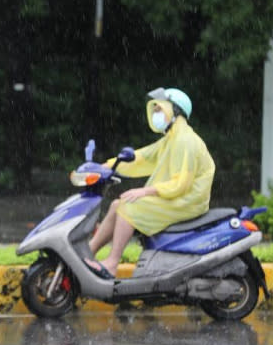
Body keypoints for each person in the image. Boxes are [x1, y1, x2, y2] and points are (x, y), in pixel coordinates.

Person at [85, 87, 215, 279]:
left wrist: (146, 192)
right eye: (154, 111)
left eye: (159, 110)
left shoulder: (185, 140)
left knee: (129, 206)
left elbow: (181, 184)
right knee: (116, 205)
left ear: (175, 111)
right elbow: (142, 158)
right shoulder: (170, 139)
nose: (155, 115)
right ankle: (88, 253)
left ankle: (112, 263)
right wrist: (106, 166)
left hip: (187, 201)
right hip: (178, 197)